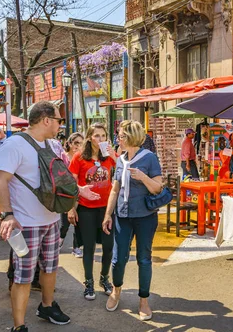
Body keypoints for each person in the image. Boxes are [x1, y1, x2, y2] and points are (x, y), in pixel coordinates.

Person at [0, 101, 71, 331]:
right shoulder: (14, 145)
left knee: (50, 268)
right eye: (58, 120)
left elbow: (59, 177)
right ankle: (19, 326)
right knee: (23, 276)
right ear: (47, 120)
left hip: (51, 220)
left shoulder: (52, 145)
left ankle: (47, 306)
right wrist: (7, 215)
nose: (60, 125)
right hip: (25, 223)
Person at [102, 120, 163, 321]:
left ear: (130, 137)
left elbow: (157, 188)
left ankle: (143, 300)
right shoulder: (120, 160)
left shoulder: (149, 158)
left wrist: (143, 177)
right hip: (123, 216)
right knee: (119, 258)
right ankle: (116, 291)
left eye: (120, 135)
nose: (117, 138)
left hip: (145, 216)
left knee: (144, 259)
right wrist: (107, 214)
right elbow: (115, 189)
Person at [68, 123, 116, 301]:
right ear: (89, 137)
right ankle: (89, 282)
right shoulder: (79, 157)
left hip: (107, 209)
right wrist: (71, 208)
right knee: (88, 247)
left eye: (103, 136)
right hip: (86, 208)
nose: (100, 139)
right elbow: (71, 184)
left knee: (109, 246)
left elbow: (122, 172)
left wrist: (114, 156)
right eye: (96, 136)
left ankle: (105, 278)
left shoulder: (109, 156)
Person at [60, 132, 85, 258]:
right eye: (75, 143)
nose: (78, 146)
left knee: (78, 222)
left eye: (81, 143)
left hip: (80, 193)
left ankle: (76, 247)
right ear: (69, 143)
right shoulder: (63, 157)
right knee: (65, 224)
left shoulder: (83, 158)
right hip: (66, 195)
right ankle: (60, 240)